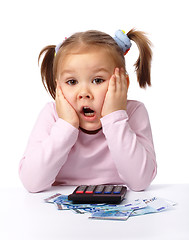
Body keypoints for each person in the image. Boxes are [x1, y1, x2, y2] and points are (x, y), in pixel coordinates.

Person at [19, 29, 157, 193]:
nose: (84, 93)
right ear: (59, 88)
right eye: (72, 82)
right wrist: (66, 126)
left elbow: (140, 181)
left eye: (97, 80)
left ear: (123, 83)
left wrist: (115, 118)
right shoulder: (52, 115)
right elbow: (31, 182)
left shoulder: (133, 113)